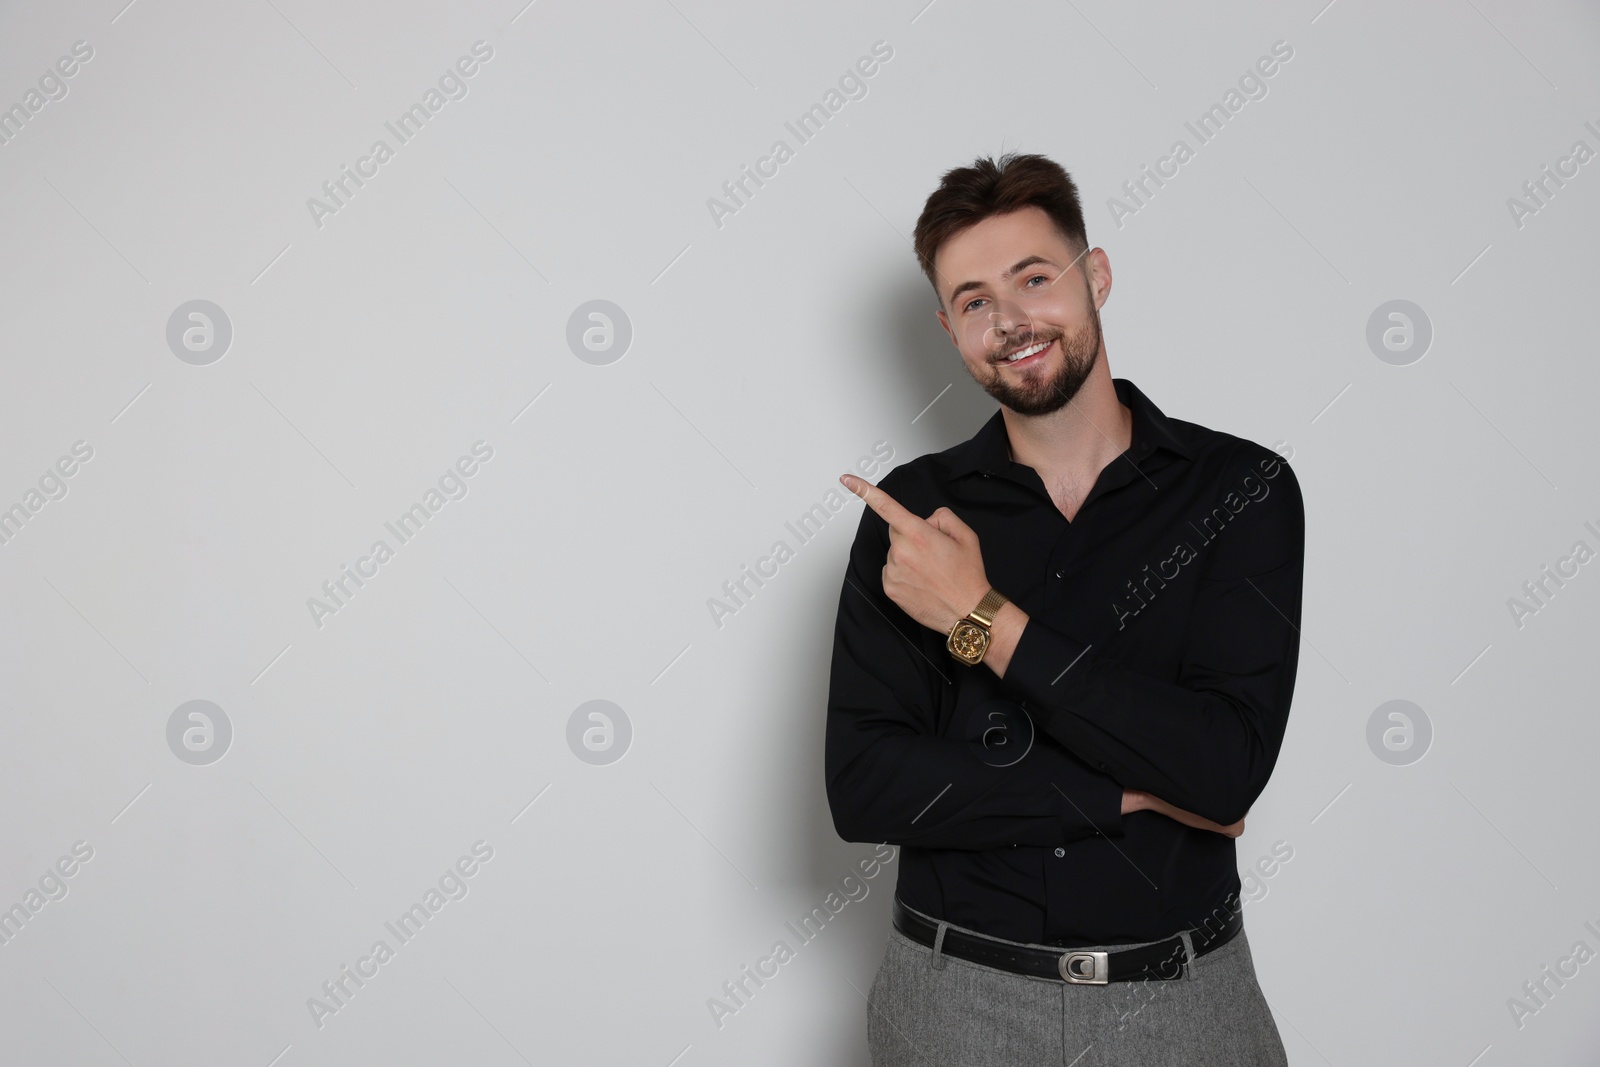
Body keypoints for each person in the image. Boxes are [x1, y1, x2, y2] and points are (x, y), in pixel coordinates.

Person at [825, 152, 1303, 1065]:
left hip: (1186, 1004)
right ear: (950, 329)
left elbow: (1224, 768)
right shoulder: (916, 517)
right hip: (954, 1007)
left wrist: (982, 619)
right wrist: (1120, 792)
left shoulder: (1242, 491)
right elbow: (866, 783)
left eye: (1034, 278)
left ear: (1097, 276)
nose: (1010, 321)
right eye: (973, 301)